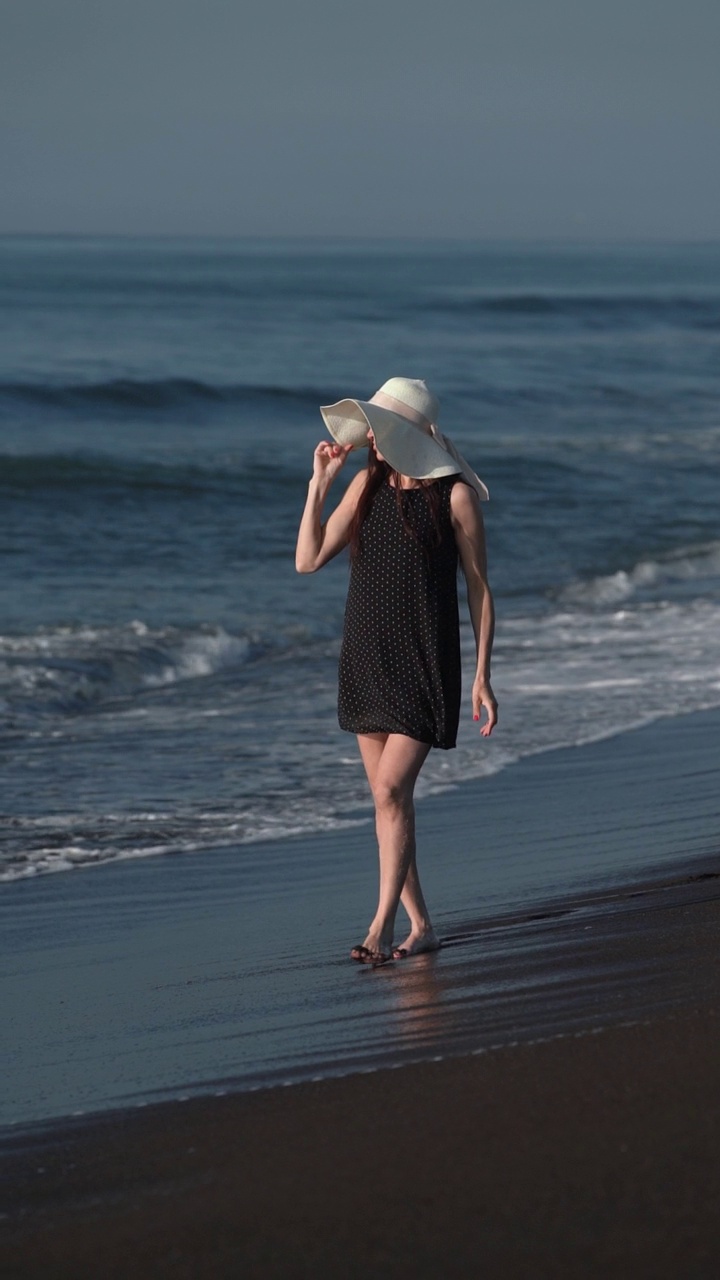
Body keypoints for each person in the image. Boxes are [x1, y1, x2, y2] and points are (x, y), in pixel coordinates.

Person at [295, 377, 497, 965]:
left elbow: (480, 591)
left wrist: (483, 674)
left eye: (384, 429)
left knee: (389, 791)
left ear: (410, 434)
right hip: (366, 658)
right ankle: (422, 925)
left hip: (425, 661)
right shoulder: (364, 485)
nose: (374, 440)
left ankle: (379, 927)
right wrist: (319, 485)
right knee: (388, 802)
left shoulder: (452, 497)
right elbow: (307, 561)